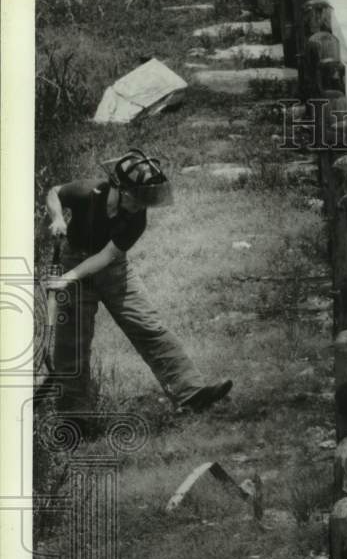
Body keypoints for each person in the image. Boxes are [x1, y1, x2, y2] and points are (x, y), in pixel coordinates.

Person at [43, 148, 232, 423]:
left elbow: (106, 257)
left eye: (146, 199)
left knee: (147, 326)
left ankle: (191, 393)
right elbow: (53, 192)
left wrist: (66, 279)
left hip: (112, 270)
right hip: (74, 257)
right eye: (137, 198)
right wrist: (58, 218)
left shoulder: (137, 218)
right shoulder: (87, 191)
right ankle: (75, 416)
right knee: (71, 342)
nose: (141, 205)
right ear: (119, 188)